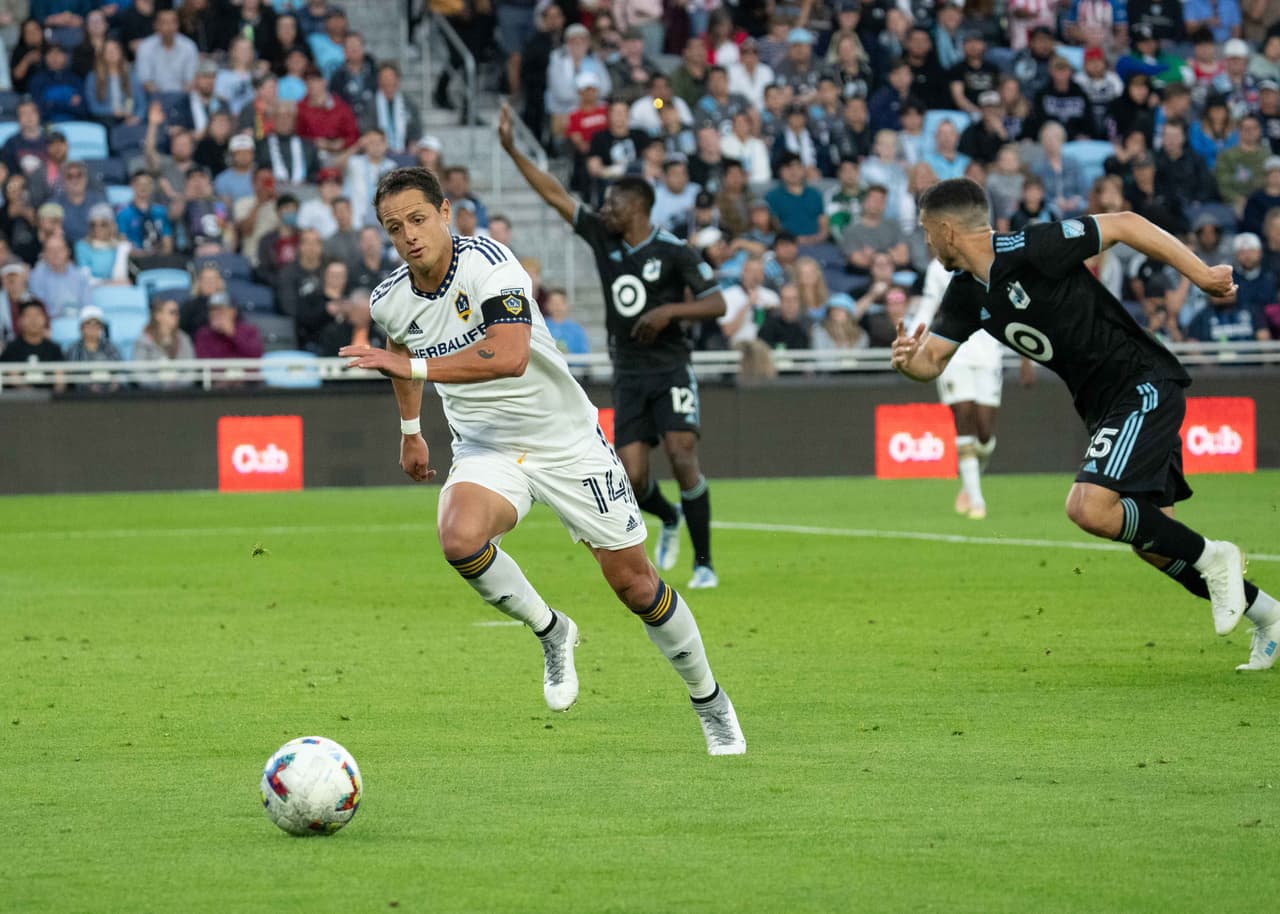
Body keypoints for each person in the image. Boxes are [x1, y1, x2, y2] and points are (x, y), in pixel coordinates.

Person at [336, 165, 744, 755]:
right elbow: (398, 347)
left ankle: (710, 702)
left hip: (566, 442)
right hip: (487, 446)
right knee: (459, 539)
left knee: (635, 585)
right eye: (394, 227)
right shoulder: (390, 299)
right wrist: (410, 430)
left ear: (446, 213)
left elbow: (510, 356)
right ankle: (553, 631)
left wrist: (414, 367)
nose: (409, 236)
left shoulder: (491, 264)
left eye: (418, 219)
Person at [892, 177, 1279, 670]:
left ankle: (1213, 556)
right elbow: (931, 362)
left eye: (927, 232)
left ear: (948, 231)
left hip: (1141, 383)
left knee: (1089, 507)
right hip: (1103, 406)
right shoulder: (966, 294)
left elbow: (1125, 223)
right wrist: (907, 361)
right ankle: (1269, 616)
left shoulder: (1030, 247)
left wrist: (1201, 275)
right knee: (1156, 543)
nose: (927, 242)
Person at [500, 104, 726, 591]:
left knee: (682, 453)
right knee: (634, 477)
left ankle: (704, 563)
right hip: (628, 371)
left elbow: (717, 303)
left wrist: (669, 312)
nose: (606, 210)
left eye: (614, 204)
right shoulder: (605, 238)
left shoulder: (674, 251)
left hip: (671, 366)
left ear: (638, 208)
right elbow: (556, 196)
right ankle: (669, 516)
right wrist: (514, 151)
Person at [132, 295, 195, 388]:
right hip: (151, 394)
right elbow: (139, 373)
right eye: (172, 312)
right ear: (158, 315)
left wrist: (175, 383)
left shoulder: (184, 338)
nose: (177, 316)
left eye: (178, 312)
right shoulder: (143, 340)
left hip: (181, 393)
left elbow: (191, 370)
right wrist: (161, 382)